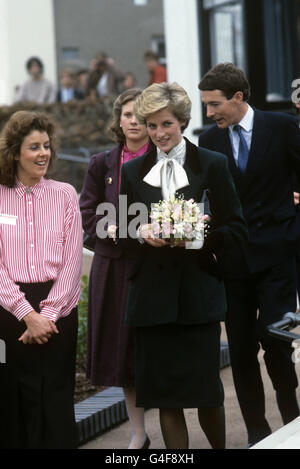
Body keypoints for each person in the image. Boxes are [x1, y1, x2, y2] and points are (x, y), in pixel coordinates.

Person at [119, 82, 247, 449]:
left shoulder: (213, 164)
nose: (158, 134)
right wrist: (142, 233)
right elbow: (123, 234)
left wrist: (200, 238)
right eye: (152, 125)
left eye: (167, 125)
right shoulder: (132, 173)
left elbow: (237, 229)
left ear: (183, 122)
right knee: (166, 398)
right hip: (152, 302)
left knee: (208, 394)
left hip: (198, 296)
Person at [198, 63, 300, 447]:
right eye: (206, 105)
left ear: (238, 97)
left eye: (215, 104)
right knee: (240, 350)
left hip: (277, 256)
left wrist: (294, 225)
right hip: (233, 262)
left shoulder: (282, 127)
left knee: (277, 342)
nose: (209, 113)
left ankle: (293, 422)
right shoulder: (208, 141)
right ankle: (257, 431)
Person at [0, 111, 83, 449]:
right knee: (10, 395)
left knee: (56, 394)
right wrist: (25, 312)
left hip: (59, 311)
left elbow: (73, 260)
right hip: (7, 312)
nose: (43, 154)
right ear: (15, 152)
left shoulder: (65, 194)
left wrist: (46, 315)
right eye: (34, 147)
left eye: (46, 146)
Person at [79, 88, 151, 449]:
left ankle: (173, 427)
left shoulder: (162, 157)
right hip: (114, 268)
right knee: (122, 355)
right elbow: (87, 213)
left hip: (155, 266)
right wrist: (106, 228)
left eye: (140, 114)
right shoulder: (101, 163)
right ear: (117, 120)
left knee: (155, 350)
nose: (134, 121)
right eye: (127, 115)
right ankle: (139, 434)